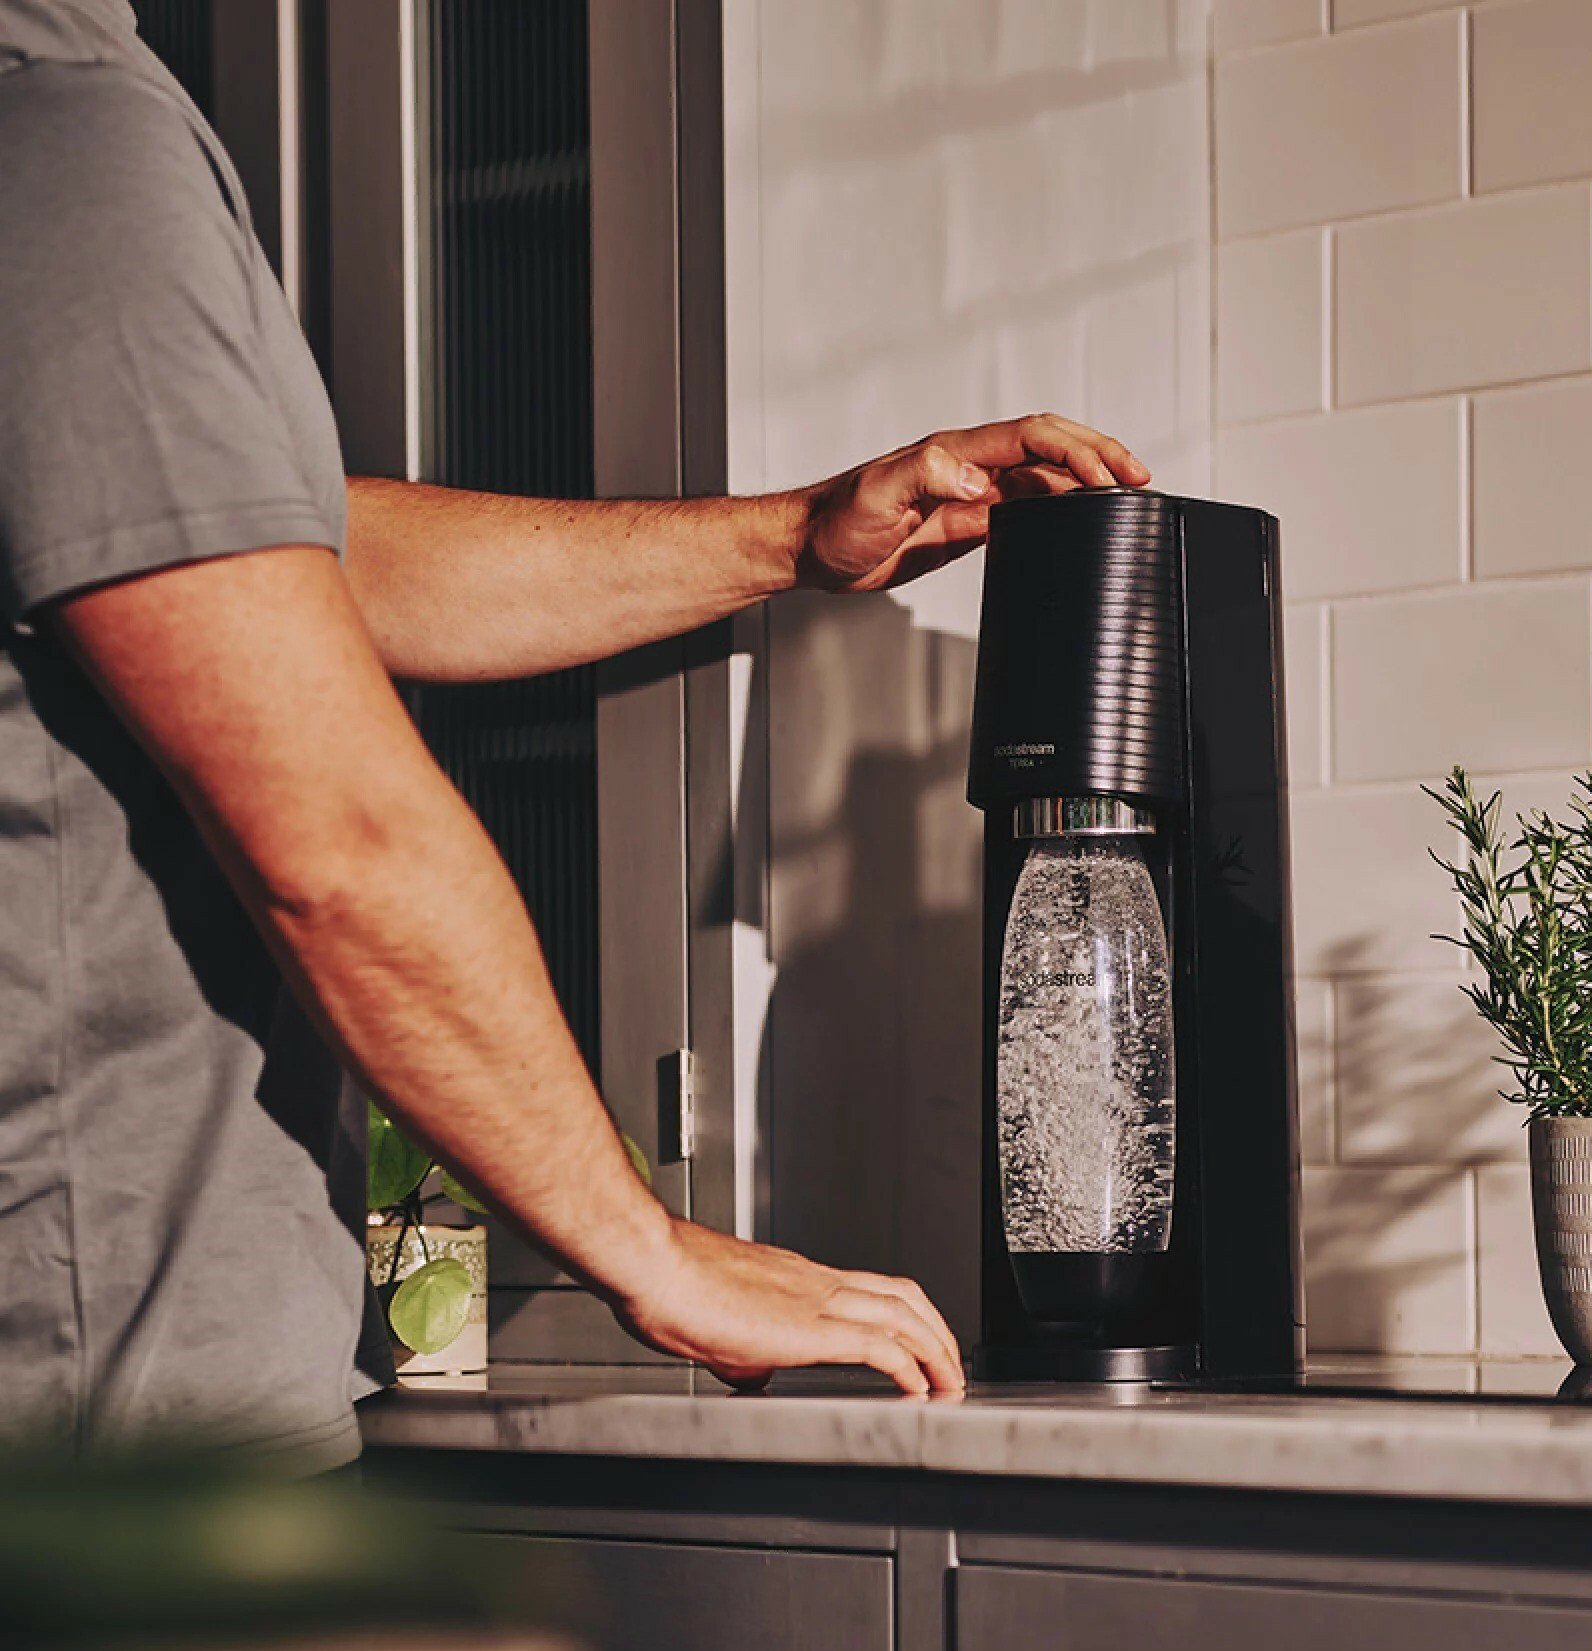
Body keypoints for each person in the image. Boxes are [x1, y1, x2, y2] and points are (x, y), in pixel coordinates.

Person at [0, 0, 1150, 1471]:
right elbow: (336, 842)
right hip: (114, 1459)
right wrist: (652, 1252)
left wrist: (794, 536)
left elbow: (295, 556)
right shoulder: (61, 132)